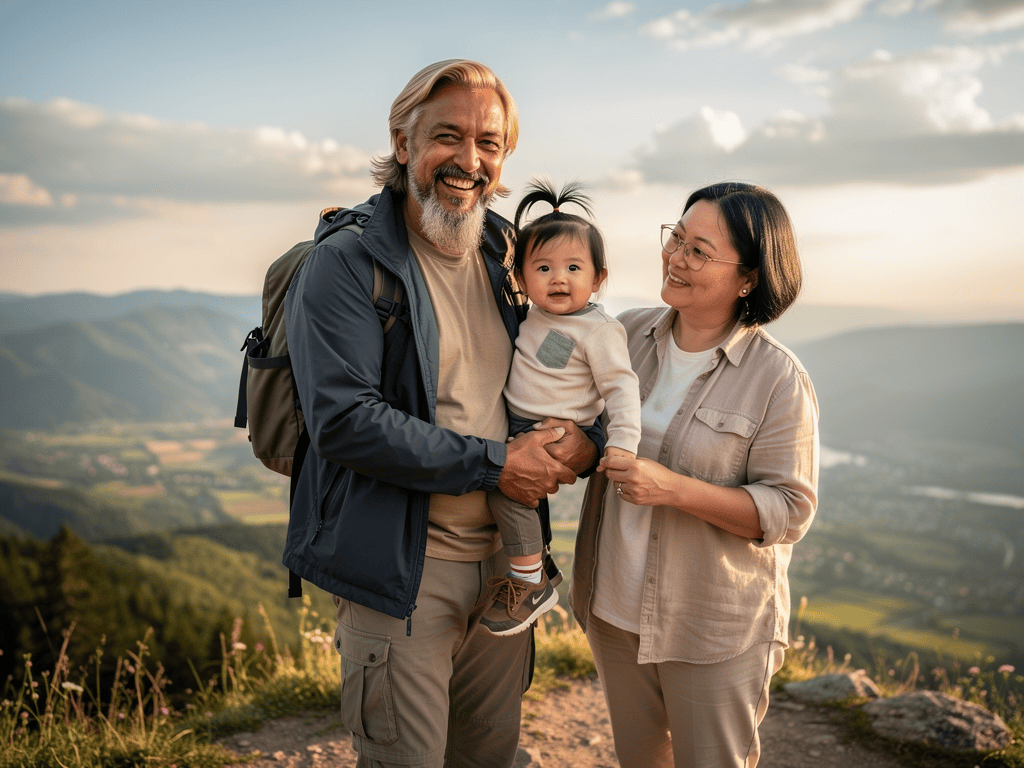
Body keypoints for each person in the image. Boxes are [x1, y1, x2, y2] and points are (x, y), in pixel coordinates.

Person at [283, 60, 603, 767]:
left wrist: (589, 440)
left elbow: (571, 361)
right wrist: (496, 463)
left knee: (488, 758)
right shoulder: (346, 262)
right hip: (402, 576)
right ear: (403, 144)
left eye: (488, 144)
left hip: (506, 574)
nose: (469, 160)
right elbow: (345, 420)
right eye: (447, 137)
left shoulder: (504, 254)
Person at [569, 182, 819, 768]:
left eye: (699, 250)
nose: (676, 257)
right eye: (675, 238)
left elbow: (790, 511)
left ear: (749, 278)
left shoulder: (778, 378)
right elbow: (579, 423)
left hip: (714, 628)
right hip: (612, 609)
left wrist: (673, 489)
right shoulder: (625, 334)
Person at [479, 180, 641, 637]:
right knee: (507, 489)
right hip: (523, 422)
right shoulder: (535, 315)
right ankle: (539, 563)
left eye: (574, 267)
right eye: (544, 267)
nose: (559, 278)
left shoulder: (598, 330)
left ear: (598, 279)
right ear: (521, 278)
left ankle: (531, 582)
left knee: (503, 486)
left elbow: (621, 389)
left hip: (556, 430)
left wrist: (623, 446)